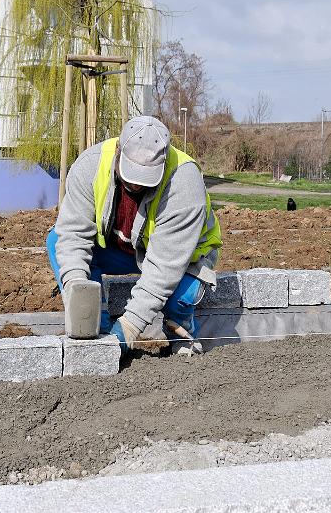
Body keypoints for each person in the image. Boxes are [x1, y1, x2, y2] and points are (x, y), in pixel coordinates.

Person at [46, 116, 222, 355]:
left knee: (181, 297)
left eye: (146, 178)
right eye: (132, 174)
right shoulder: (90, 165)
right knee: (56, 239)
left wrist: (128, 328)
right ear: (119, 150)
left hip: (182, 257)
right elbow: (73, 236)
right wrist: (81, 295)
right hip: (122, 250)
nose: (137, 186)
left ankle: (181, 330)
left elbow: (164, 267)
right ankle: (98, 325)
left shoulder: (183, 182)